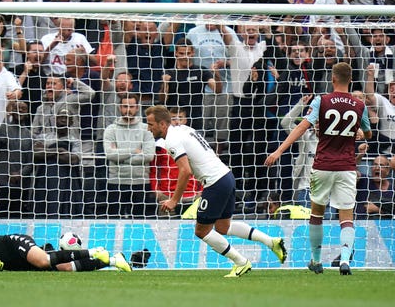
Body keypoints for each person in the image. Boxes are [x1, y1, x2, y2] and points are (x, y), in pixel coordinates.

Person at [146, 105, 287, 278]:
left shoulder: (172, 139)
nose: (148, 128)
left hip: (215, 183)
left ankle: (241, 262)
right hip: (226, 176)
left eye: (150, 124)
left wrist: (174, 200)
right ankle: (271, 242)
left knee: (201, 231)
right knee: (222, 226)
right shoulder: (184, 129)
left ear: (162, 124)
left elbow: (185, 171)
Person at [264, 62, 372, 275]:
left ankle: (316, 260)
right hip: (347, 167)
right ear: (350, 80)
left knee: (316, 215)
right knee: (346, 217)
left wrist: (279, 151)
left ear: (332, 79)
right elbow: (368, 134)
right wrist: (360, 134)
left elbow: (301, 126)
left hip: (322, 165)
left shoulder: (321, 101)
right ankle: (346, 261)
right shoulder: (360, 106)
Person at [0, 225, 132, 272]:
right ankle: (114, 260)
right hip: (14, 264)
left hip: (13, 243)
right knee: (64, 269)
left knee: (43, 260)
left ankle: (94, 251)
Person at [104, 94, 156, 218]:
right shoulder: (111, 129)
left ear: (137, 108)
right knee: (114, 222)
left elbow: (148, 156)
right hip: (116, 182)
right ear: (119, 107)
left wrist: (120, 156)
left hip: (140, 182)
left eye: (131, 106)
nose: (128, 110)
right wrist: (134, 150)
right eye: (125, 106)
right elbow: (110, 154)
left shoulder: (146, 129)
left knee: (140, 224)